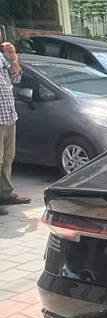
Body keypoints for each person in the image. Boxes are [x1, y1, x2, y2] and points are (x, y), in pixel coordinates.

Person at [0, 42, 30, 215]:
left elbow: (16, 78)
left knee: (7, 158)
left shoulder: (2, 58)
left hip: (9, 117)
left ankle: (5, 194)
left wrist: (13, 59)